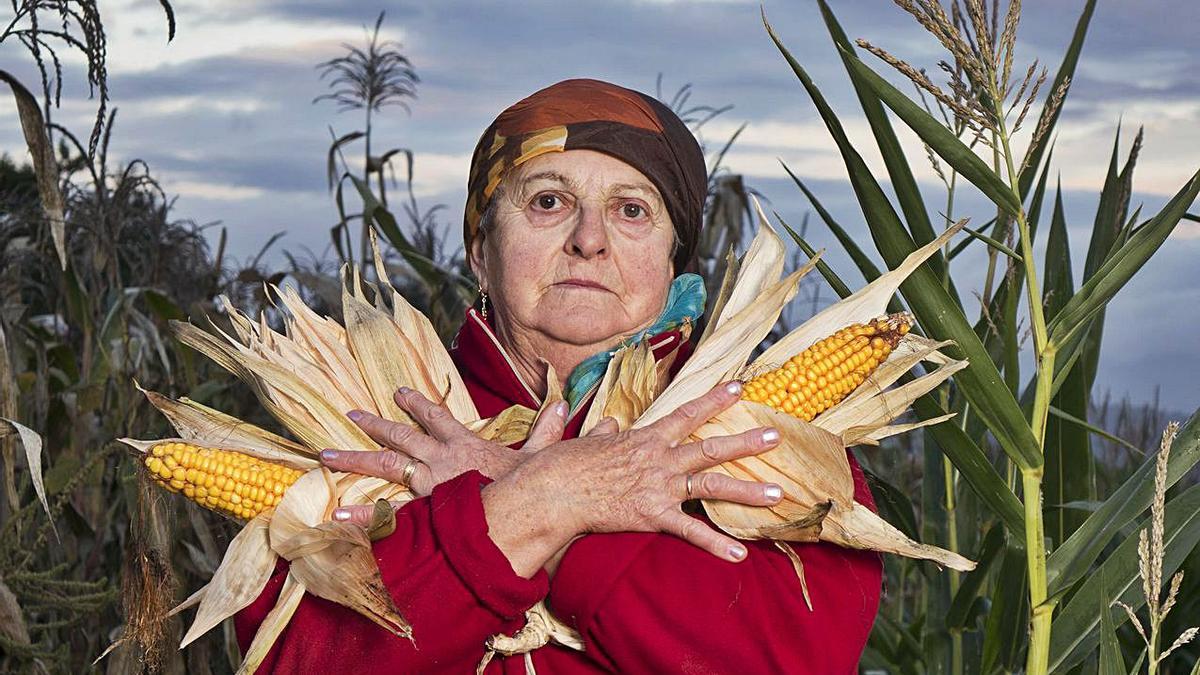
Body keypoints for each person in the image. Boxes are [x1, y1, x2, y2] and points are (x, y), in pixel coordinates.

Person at [235, 78, 882, 673]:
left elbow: (793, 656)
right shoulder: (368, 417)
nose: (589, 239)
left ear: (671, 259)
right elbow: (296, 657)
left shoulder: (760, 435)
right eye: (549, 201)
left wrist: (534, 506)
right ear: (481, 251)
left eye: (632, 210)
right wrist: (540, 505)